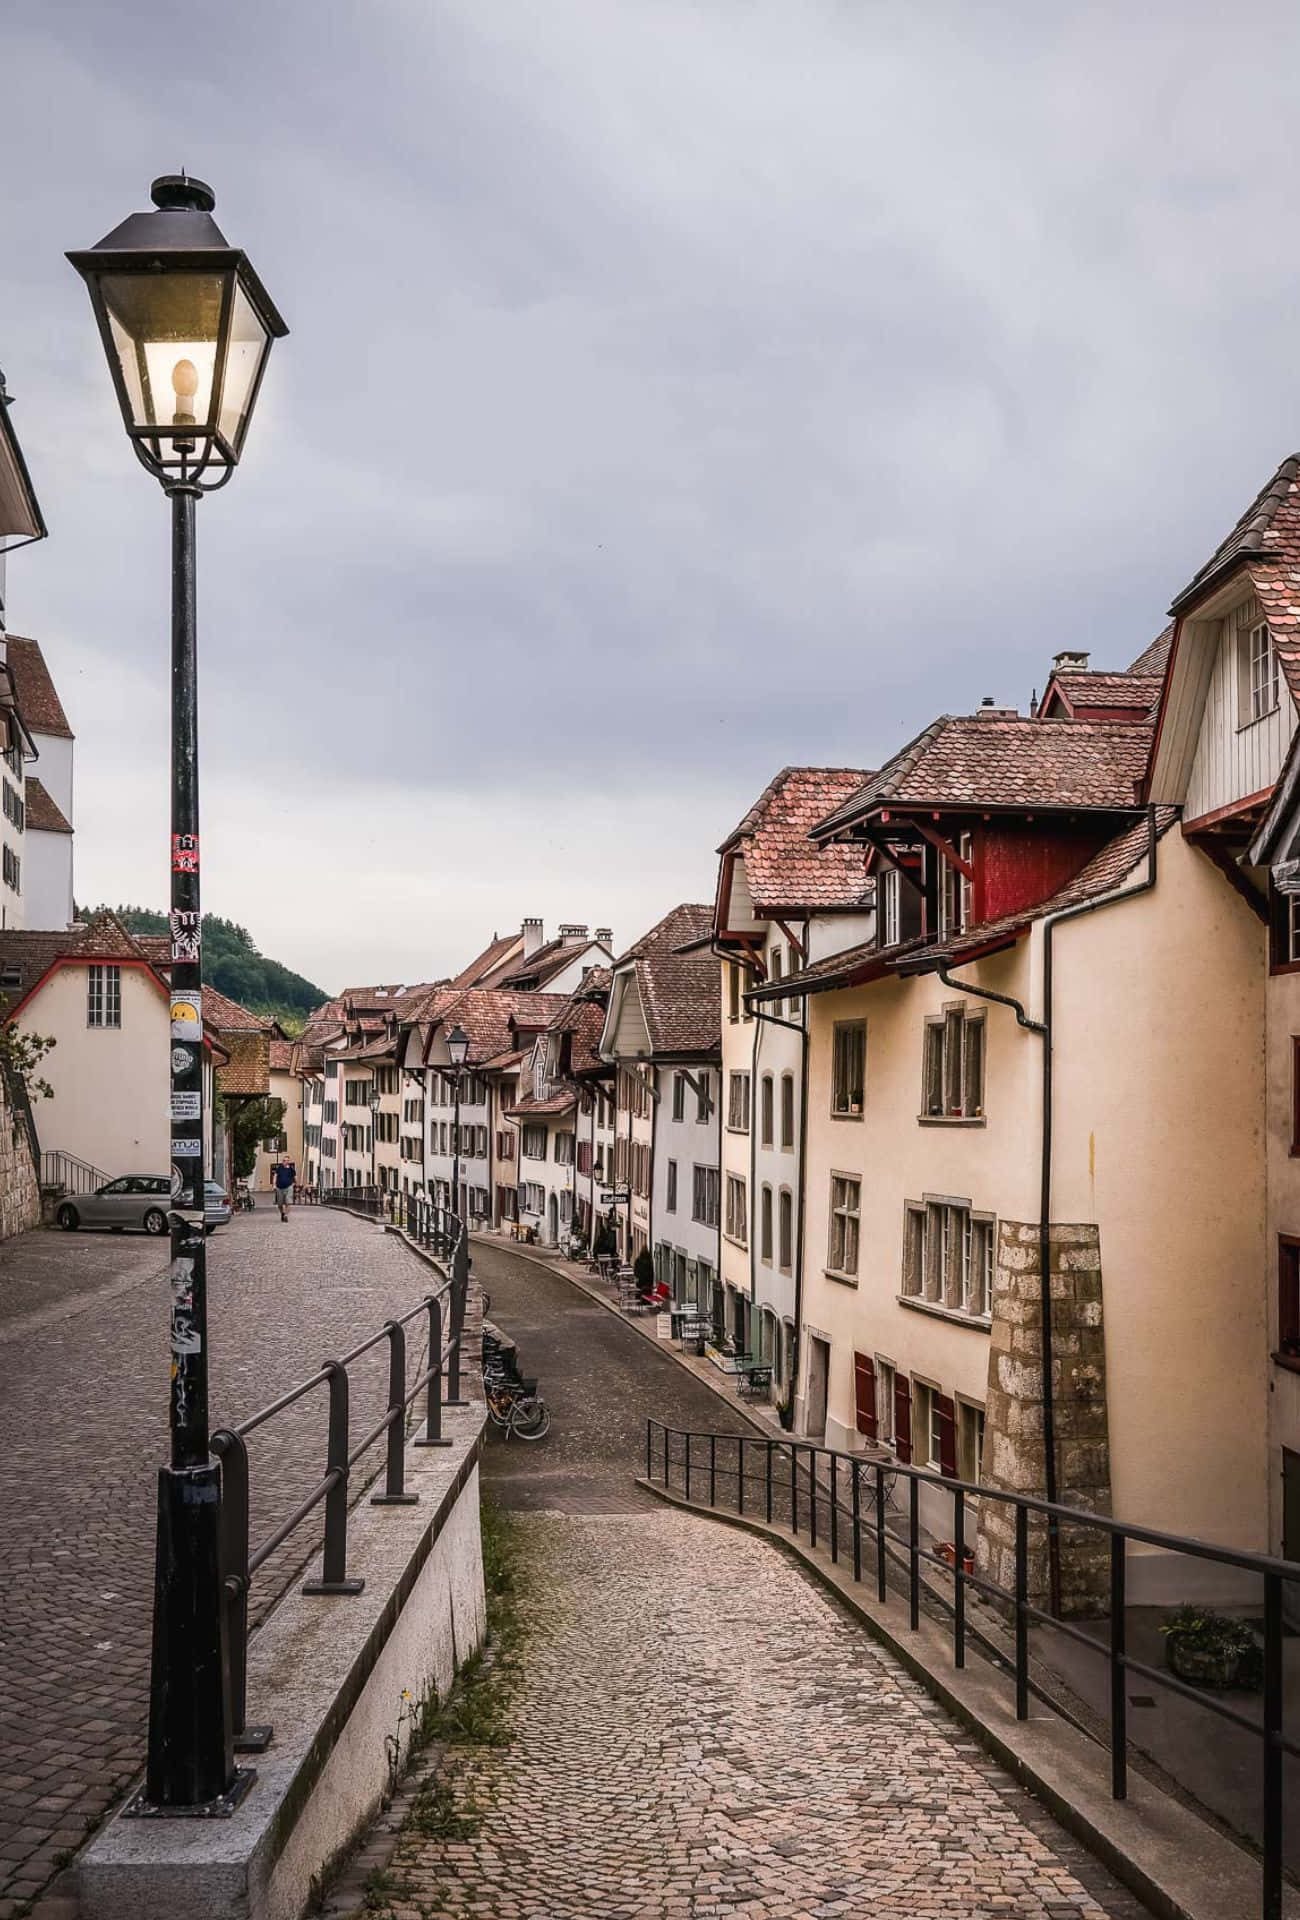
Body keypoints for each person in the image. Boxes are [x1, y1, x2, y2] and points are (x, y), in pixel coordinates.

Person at [272, 1154, 296, 1222]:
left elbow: (295, 1177)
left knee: (288, 1202)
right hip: (279, 1188)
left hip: (289, 1187)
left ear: (289, 1161)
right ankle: (282, 1213)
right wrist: (274, 1185)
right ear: (283, 1161)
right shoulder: (279, 1168)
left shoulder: (291, 1169)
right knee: (280, 1204)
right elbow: (275, 1176)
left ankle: (286, 1215)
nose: (286, 1162)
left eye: (287, 1160)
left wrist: (294, 1184)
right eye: (284, 1161)